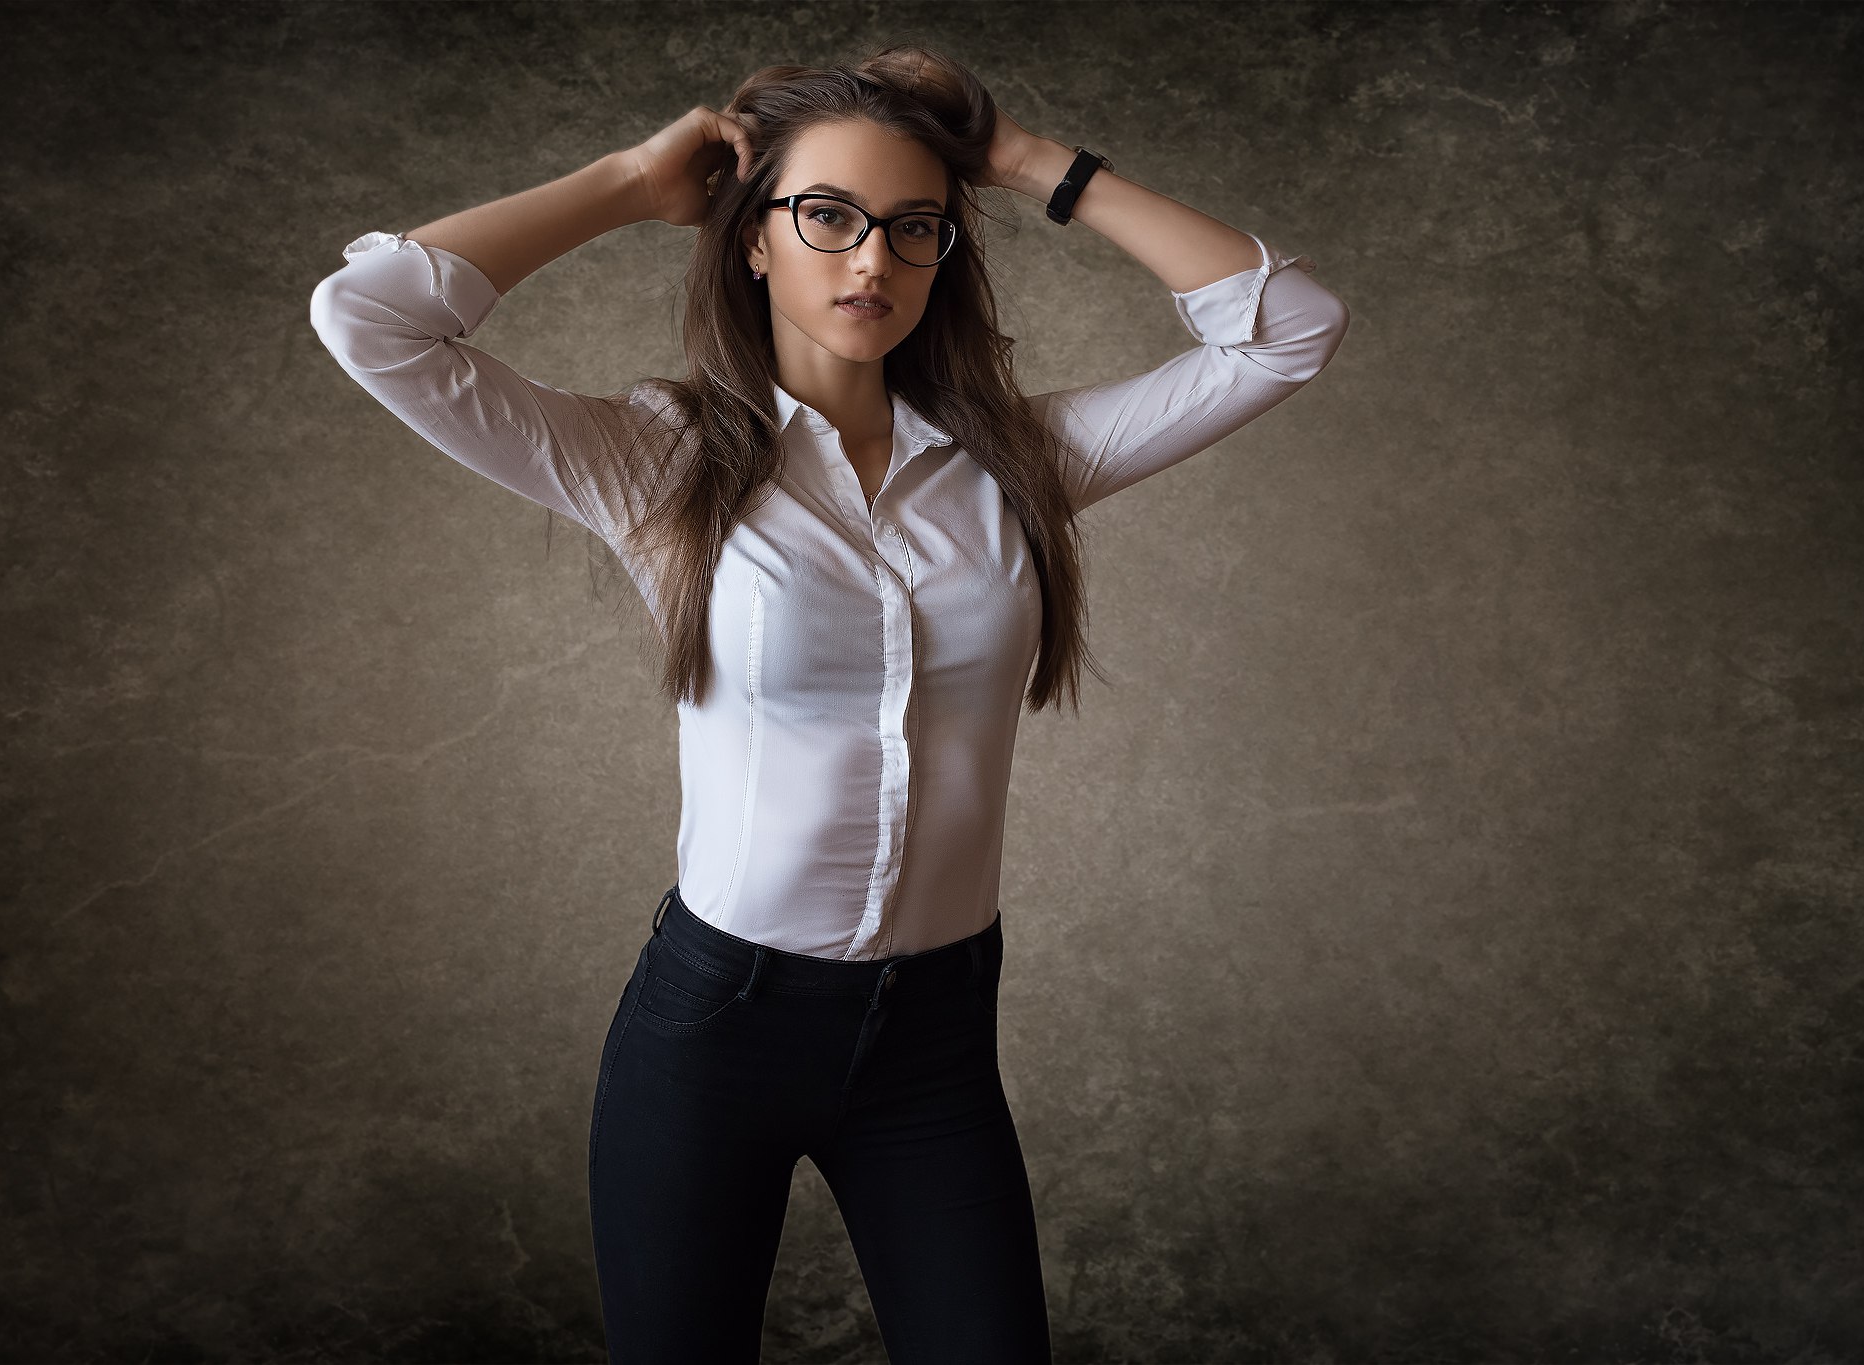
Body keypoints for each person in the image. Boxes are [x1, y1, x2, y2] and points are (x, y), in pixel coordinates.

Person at [310, 42, 1349, 1365]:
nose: (873, 264)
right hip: (711, 1036)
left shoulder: (1016, 465)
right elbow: (370, 318)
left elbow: (1291, 329)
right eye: (830, 217)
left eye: (915, 230)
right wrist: (632, 181)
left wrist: (1027, 160)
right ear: (753, 240)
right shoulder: (657, 463)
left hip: (931, 1040)